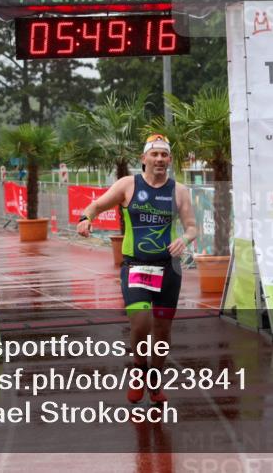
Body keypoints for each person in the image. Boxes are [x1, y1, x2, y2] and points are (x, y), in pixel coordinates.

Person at [77, 134, 197, 404]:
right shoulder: (128, 185)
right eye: (154, 154)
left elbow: (192, 227)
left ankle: (155, 379)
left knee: (163, 331)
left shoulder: (179, 191)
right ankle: (139, 370)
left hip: (169, 269)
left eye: (164, 155)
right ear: (143, 159)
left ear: (170, 160)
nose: (159, 159)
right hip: (136, 266)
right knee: (141, 322)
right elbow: (96, 205)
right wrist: (86, 218)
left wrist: (185, 240)